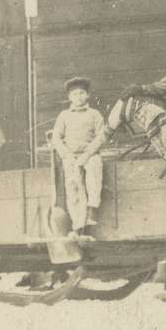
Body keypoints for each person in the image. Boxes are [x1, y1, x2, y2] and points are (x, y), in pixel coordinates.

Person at [51, 77, 107, 235]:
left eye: (82, 93)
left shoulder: (95, 114)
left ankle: (93, 209)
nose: (79, 97)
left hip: (90, 155)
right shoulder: (64, 115)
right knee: (73, 188)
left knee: (94, 171)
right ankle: (78, 225)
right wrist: (67, 155)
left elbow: (101, 136)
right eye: (75, 94)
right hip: (71, 157)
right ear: (69, 97)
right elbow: (56, 137)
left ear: (87, 95)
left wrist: (87, 154)